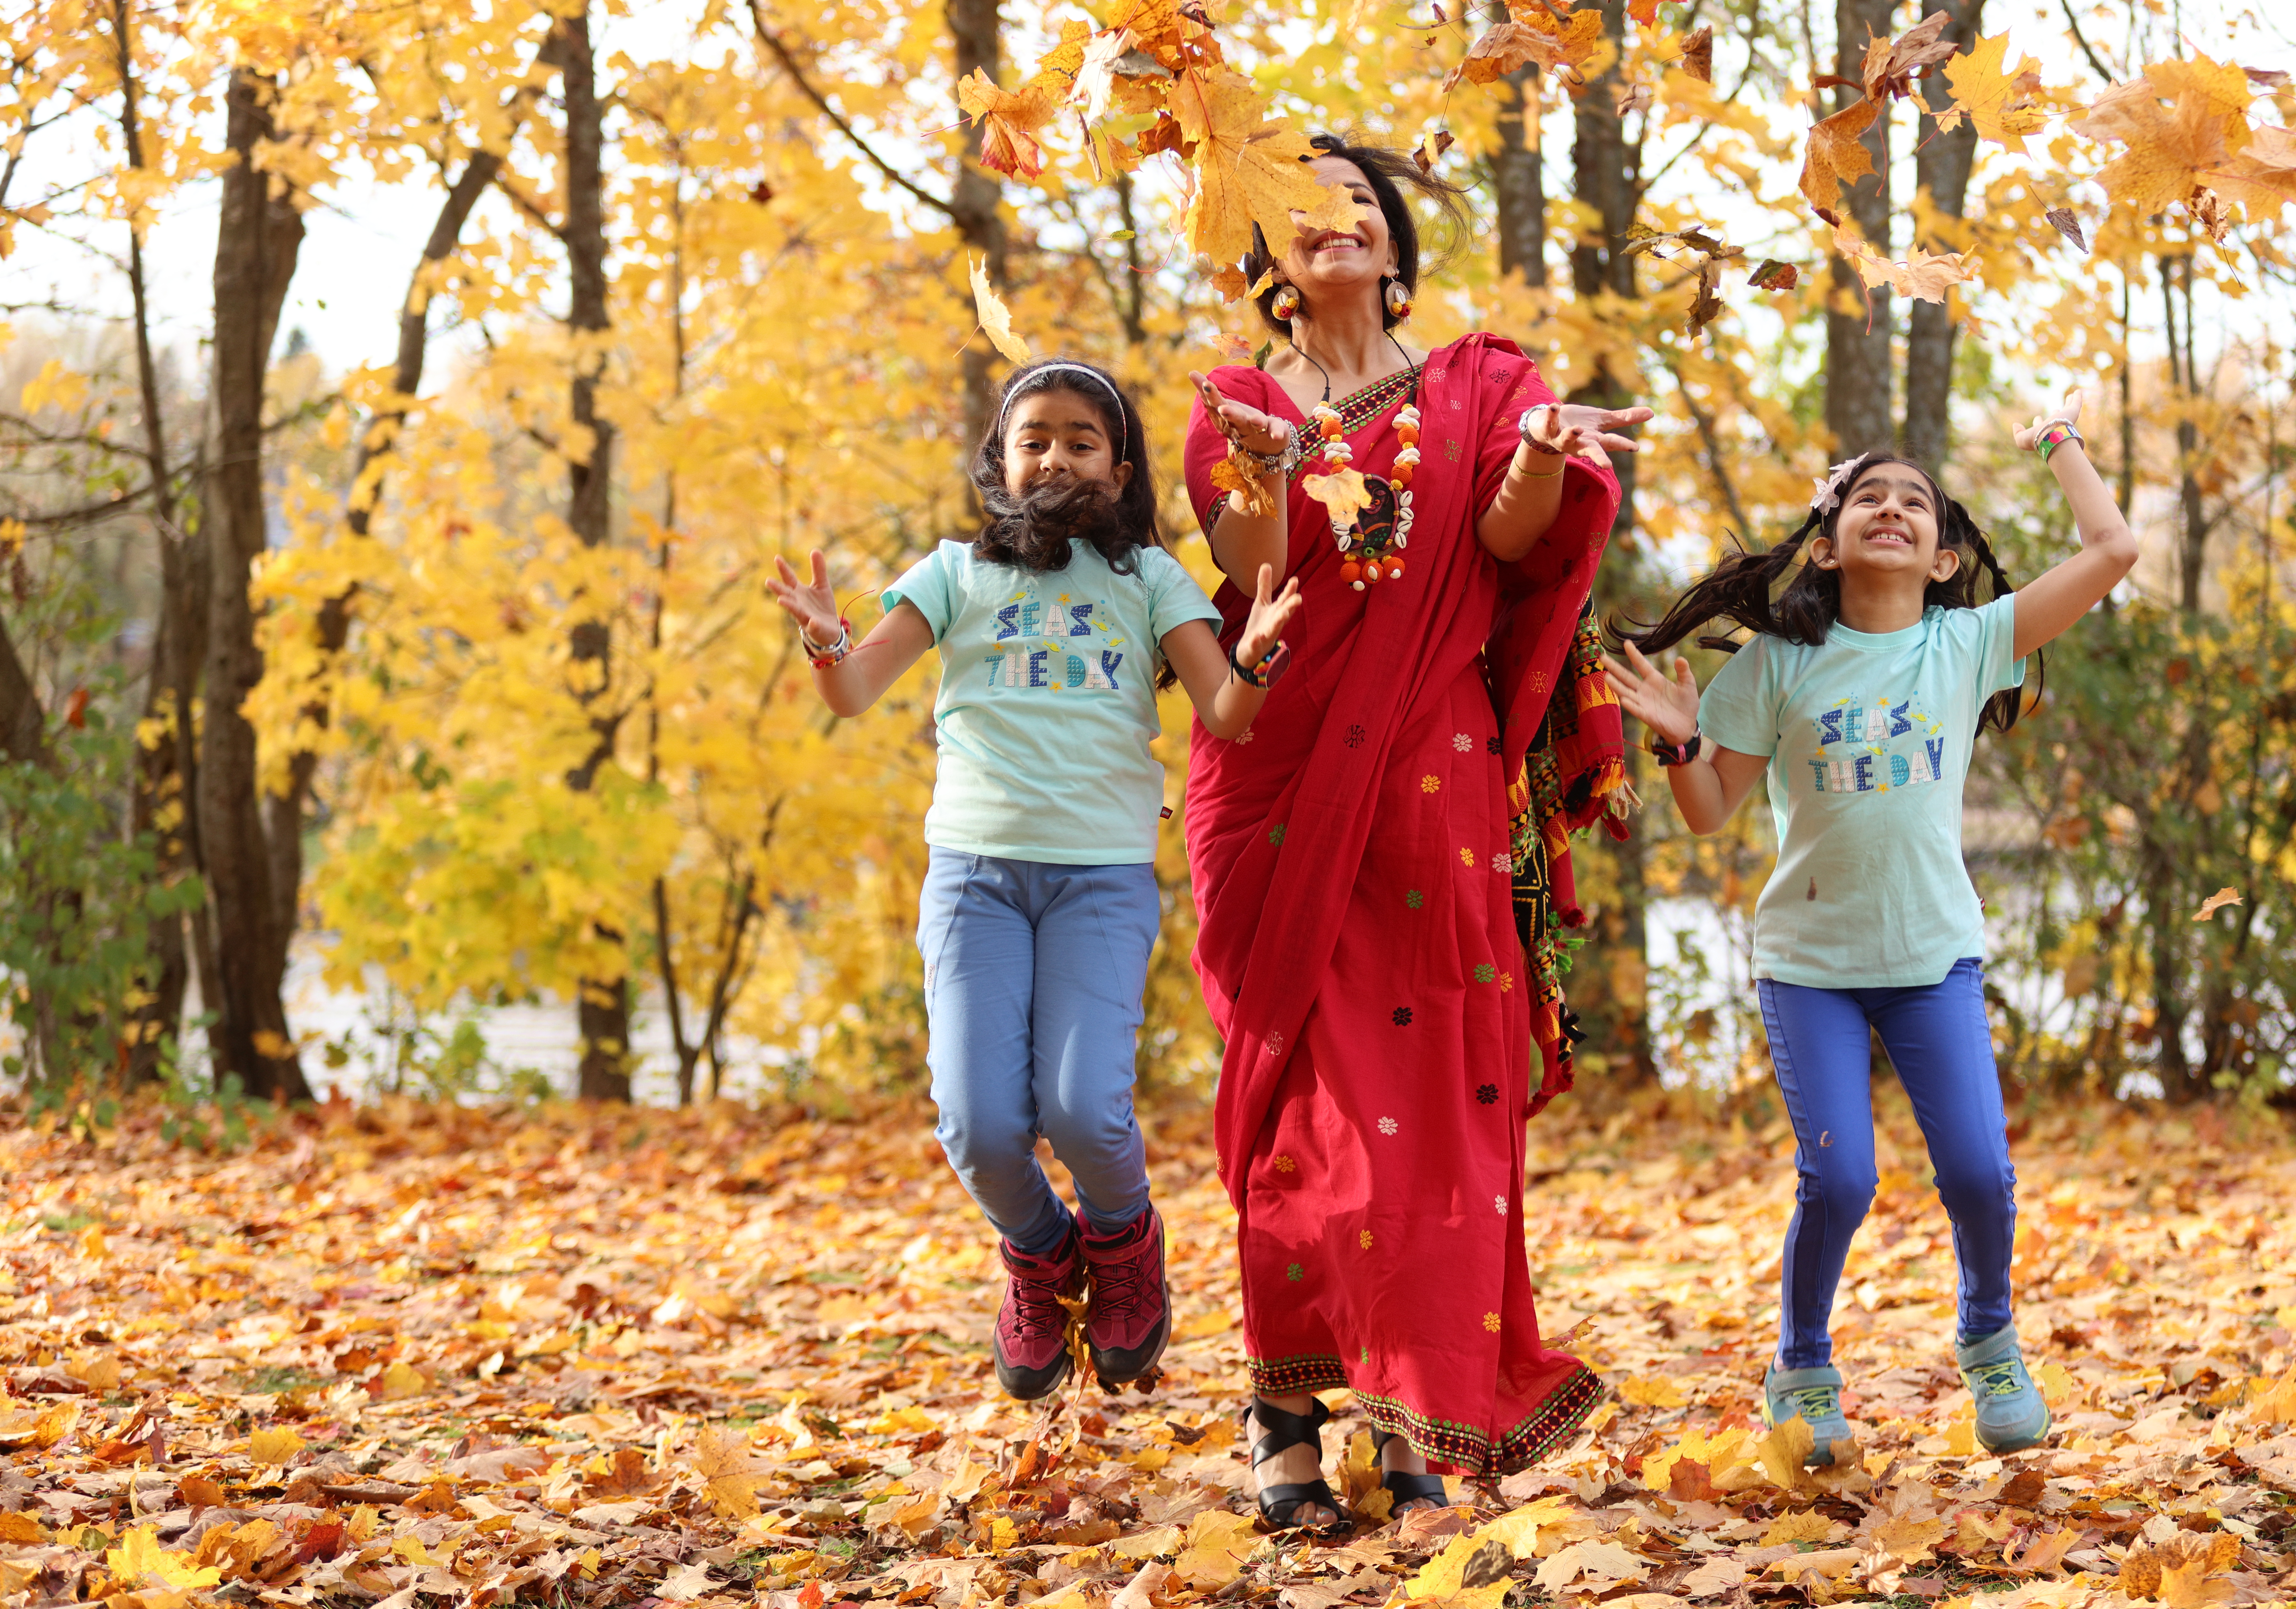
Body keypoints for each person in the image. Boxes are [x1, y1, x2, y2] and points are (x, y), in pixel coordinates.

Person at [1180, 135, 1650, 1528]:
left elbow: (1512, 542)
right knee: (1296, 1117)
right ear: (1266, 255)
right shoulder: (1236, 400)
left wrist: (1542, 461)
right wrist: (1263, 478)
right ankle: (1281, 1406)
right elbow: (1248, 569)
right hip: (1272, 782)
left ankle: (1394, 1410)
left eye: (1360, 205)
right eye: (1302, 210)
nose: (1336, 222)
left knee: (1421, 1112)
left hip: (1430, 792)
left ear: (1393, 244)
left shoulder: (1483, 384)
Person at [1599, 393, 2138, 1460]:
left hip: (1932, 958)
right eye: (1867, 498)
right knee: (1842, 1178)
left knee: (1981, 1173)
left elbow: (2115, 546)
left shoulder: (1970, 642)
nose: (1892, 509)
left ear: (1943, 557)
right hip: (1810, 967)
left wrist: (2056, 439)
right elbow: (1709, 816)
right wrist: (1675, 745)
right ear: (1832, 542)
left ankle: (1990, 1344)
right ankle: (1802, 1369)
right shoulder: (1777, 665)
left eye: (1915, 503)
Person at [765, 358, 1301, 1401]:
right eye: (1034, 439)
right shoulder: (954, 574)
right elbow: (857, 688)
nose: (1055, 454)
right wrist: (830, 639)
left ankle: (1124, 1240)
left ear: (1121, 467)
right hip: (975, 881)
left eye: (1081, 440)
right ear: (1001, 463)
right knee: (978, 1124)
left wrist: (1262, 657)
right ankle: (1040, 1254)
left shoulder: (1149, 582)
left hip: (1098, 882)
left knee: (1086, 1113)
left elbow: (1228, 718)